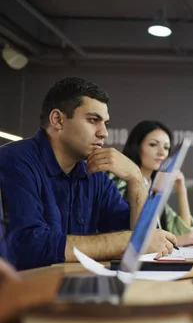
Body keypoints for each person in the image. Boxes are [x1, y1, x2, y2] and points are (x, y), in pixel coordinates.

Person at [0, 77, 177, 270]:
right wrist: (129, 241)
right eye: (93, 120)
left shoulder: (94, 174)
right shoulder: (14, 160)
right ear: (58, 120)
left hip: (71, 286)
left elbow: (146, 239)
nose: (104, 133)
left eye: (105, 123)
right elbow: (29, 247)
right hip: (23, 292)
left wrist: (135, 177)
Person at [110, 121, 193, 248]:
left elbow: (184, 232)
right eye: (153, 145)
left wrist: (181, 189)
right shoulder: (118, 182)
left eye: (166, 147)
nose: (162, 153)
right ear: (136, 146)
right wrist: (177, 241)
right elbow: (127, 236)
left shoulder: (153, 185)